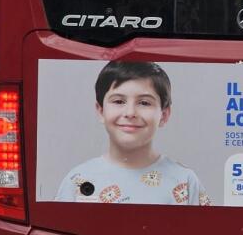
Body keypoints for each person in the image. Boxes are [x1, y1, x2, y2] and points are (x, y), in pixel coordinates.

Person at [56, 61, 211, 206]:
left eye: (144, 103)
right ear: (101, 111)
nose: (130, 113)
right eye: (118, 101)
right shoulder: (77, 179)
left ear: (164, 115)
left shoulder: (185, 181)